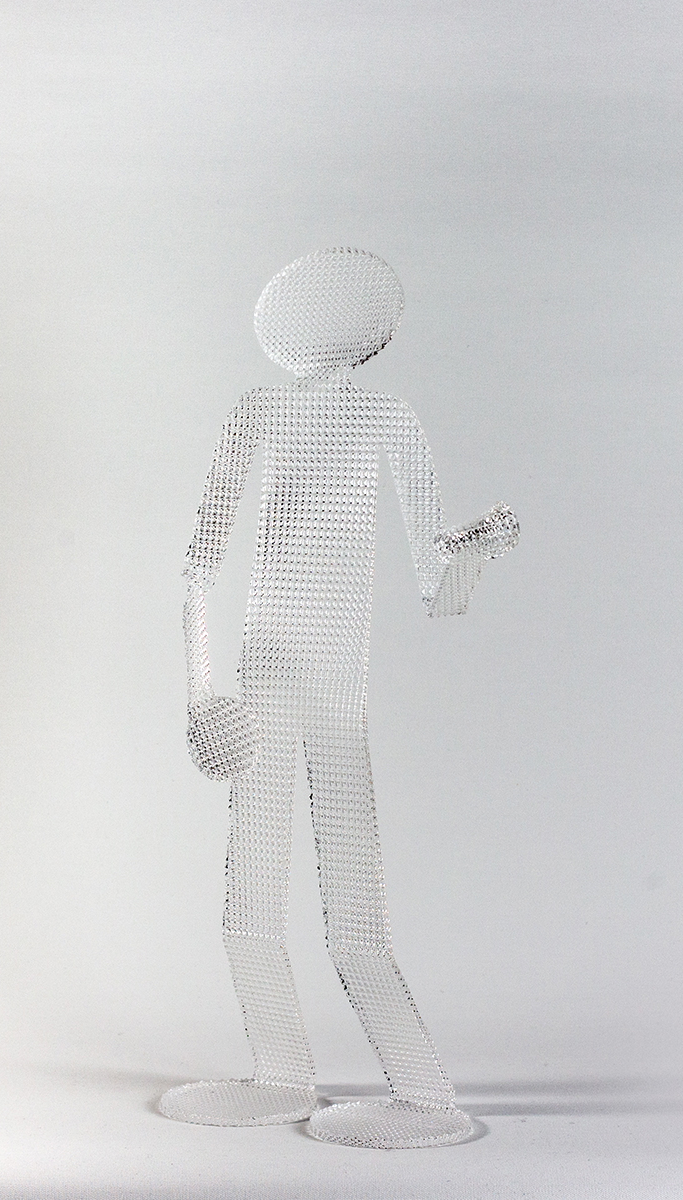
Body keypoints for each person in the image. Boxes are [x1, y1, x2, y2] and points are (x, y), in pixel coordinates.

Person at [159, 248, 518, 1149]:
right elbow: (201, 563)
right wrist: (200, 695)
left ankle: (423, 1092)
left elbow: (438, 588)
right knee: (254, 900)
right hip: (270, 675)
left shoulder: (383, 419)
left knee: (348, 906)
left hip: (325, 681)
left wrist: (473, 553)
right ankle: (282, 1073)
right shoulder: (264, 412)